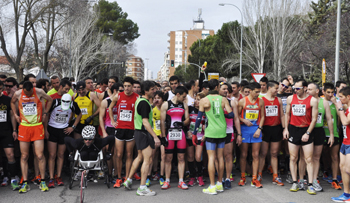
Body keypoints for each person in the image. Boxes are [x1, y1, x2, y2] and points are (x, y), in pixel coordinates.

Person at [191, 79, 234, 195]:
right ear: (217, 87)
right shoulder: (223, 99)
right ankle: (220, 184)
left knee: (211, 158)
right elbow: (231, 114)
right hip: (222, 131)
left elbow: (199, 118)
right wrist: (221, 112)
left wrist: (195, 133)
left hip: (210, 132)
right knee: (220, 157)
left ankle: (212, 186)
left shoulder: (204, 100)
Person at [11, 81, 53, 193]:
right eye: (27, 93)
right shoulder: (18, 93)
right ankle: (25, 182)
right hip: (24, 127)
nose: (29, 95)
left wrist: (45, 113)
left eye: (30, 93)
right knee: (24, 156)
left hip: (37, 126)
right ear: (23, 89)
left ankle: (42, 180)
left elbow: (50, 99)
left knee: (39, 155)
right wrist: (15, 114)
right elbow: (12, 102)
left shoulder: (39, 92)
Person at [122, 81, 160, 196]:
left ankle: (128, 180)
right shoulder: (144, 103)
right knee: (147, 160)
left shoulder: (141, 100)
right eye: (153, 89)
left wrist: (153, 105)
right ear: (146, 91)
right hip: (143, 133)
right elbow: (145, 122)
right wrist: (155, 137)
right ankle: (142, 188)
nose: (155, 91)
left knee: (139, 157)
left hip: (138, 133)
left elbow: (143, 114)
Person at [283, 79, 318, 195]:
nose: (295, 90)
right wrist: (286, 129)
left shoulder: (312, 100)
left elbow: (314, 119)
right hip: (293, 129)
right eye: (294, 88)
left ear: (305, 88)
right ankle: (294, 182)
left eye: (298, 88)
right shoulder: (290, 99)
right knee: (293, 158)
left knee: (308, 159)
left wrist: (307, 133)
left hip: (306, 129)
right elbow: (287, 114)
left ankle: (310, 184)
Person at [46, 94, 82, 188]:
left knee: (61, 154)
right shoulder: (55, 102)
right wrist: (45, 129)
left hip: (64, 131)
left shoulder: (73, 104)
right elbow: (46, 114)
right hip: (52, 129)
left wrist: (73, 127)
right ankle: (51, 177)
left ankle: (58, 176)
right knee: (52, 155)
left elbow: (80, 114)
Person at [109, 77, 139, 188]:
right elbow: (110, 107)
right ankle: (118, 178)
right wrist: (113, 121)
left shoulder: (137, 98)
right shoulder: (118, 96)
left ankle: (127, 177)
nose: (126, 88)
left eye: (129, 86)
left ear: (132, 86)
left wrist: (137, 125)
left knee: (129, 154)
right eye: (125, 86)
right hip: (120, 128)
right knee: (118, 154)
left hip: (131, 129)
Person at [304, 83, 334, 192]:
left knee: (316, 157)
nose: (307, 91)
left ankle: (314, 180)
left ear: (317, 91)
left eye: (310, 89)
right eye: (307, 89)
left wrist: (331, 134)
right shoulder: (305, 100)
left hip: (318, 131)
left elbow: (329, 119)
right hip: (306, 131)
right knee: (306, 157)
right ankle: (302, 179)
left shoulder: (323, 102)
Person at [160, 86, 190, 190]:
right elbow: (162, 121)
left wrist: (182, 123)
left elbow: (188, 120)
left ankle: (181, 181)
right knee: (168, 158)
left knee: (181, 157)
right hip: (169, 133)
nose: (185, 98)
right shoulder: (166, 104)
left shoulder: (184, 105)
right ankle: (167, 180)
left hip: (180, 133)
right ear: (178, 94)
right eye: (183, 96)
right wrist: (163, 136)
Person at [238, 82, 265, 189]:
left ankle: (254, 178)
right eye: (256, 92)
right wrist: (243, 120)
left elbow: (263, 117)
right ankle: (243, 176)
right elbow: (237, 116)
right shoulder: (242, 101)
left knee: (255, 155)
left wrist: (259, 129)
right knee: (244, 154)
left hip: (256, 129)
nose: (258, 94)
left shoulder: (261, 101)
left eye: (259, 92)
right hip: (245, 129)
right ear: (251, 90)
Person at [258, 81, 285, 186]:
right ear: (269, 88)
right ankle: (259, 174)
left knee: (274, 154)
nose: (277, 90)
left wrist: (284, 128)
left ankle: (275, 176)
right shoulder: (262, 100)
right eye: (276, 88)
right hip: (265, 128)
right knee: (263, 154)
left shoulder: (278, 100)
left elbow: (282, 115)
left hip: (276, 128)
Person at [218, 82, 242, 189]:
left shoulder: (232, 102)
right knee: (218, 157)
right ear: (218, 90)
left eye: (227, 89)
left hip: (228, 132)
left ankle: (227, 178)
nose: (225, 91)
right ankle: (220, 178)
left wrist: (239, 134)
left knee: (228, 156)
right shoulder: (214, 102)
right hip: (216, 133)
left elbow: (236, 118)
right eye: (223, 89)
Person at [0, 81, 20, 190]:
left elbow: (12, 115)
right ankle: (4, 176)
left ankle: (13, 178)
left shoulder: (7, 100)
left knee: (10, 155)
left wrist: (14, 130)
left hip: (6, 131)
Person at [322, 82, 342, 190]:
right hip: (321, 133)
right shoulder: (320, 102)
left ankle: (335, 179)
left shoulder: (336, 102)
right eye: (328, 92)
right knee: (322, 154)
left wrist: (336, 104)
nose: (330, 94)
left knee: (334, 156)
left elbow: (341, 116)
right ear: (323, 91)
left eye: (332, 92)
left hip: (334, 133)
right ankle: (321, 173)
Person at [331, 86, 350, 201]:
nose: (340, 99)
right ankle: (346, 194)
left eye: (341, 97)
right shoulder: (347, 107)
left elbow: (345, 121)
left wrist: (339, 109)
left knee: (348, 169)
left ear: (348, 97)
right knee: (342, 168)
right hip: (345, 141)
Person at [187, 92, 207, 187]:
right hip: (190, 135)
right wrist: (188, 131)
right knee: (190, 157)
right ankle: (192, 176)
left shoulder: (206, 111)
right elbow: (186, 121)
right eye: (195, 99)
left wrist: (205, 133)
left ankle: (200, 176)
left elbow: (208, 124)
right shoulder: (190, 109)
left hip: (200, 136)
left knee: (198, 157)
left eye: (199, 99)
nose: (196, 101)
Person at [149, 91, 165, 186]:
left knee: (163, 156)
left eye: (159, 97)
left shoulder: (165, 109)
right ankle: (149, 175)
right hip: (154, 135)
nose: (156, 99)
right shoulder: (151, 109)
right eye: (155, 98)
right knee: (152, 156)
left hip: (163, 135)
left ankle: (162, 176)